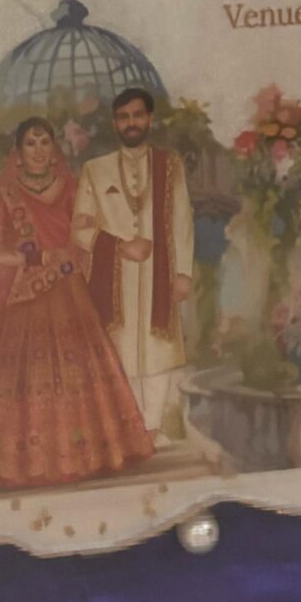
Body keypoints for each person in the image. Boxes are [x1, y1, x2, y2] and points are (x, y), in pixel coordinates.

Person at [0, 118, 154, 488]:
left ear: (54, 147)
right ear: (19, 151)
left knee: (84, 370)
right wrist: (36, 258)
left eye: (45, 142)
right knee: (24, 378)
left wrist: (122, 247)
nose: (39, 150)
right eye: (31, 143)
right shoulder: (7, 194)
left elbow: (88, 232)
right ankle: (26, 462)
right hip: (28, 296)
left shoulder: (70, 187)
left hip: (70, 291)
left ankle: (90, 455)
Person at [74, 87, 195, 439]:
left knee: (158, 351)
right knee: (120, 350)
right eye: (124, 117)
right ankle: (127, 431)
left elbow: (183, 220)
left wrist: (183, 273)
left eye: (138, 115)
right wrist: (121, 247)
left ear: (149, 119)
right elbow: (79, 228)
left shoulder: (169, 165)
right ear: (115, 123)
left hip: (160, 274)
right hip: (115, 278)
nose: (131, 123)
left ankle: (152, 429)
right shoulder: (95, 170)